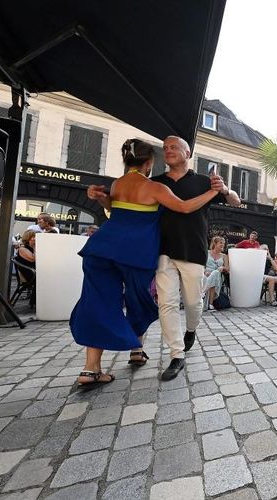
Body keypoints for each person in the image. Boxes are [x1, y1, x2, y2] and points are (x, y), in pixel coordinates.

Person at [88, 135, 241, 381]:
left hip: (192, 249)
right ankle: (176, 354)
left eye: (173, 147)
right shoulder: (154, 182)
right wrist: (103, 198)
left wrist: (223, 189)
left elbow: (236, 200)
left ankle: (191, 329)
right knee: (166, 303)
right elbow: (123, 205)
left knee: (192, 303)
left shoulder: (204, 181)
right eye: (165, 148)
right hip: (161, 250)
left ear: (187, 152)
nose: (168, 151)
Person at [204, 236, 229, 310]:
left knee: (215, 273)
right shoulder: (207, 252)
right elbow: (201, 264)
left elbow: (228, 268)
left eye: (224, 243)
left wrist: (223, 268)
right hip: (206, 273)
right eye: (221, 243)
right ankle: (210, 305)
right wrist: (205, 271)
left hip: (219, 274)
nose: (223, 245)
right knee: (210, 277)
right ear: (215, 243)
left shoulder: (224, 256)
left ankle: (203, 291)